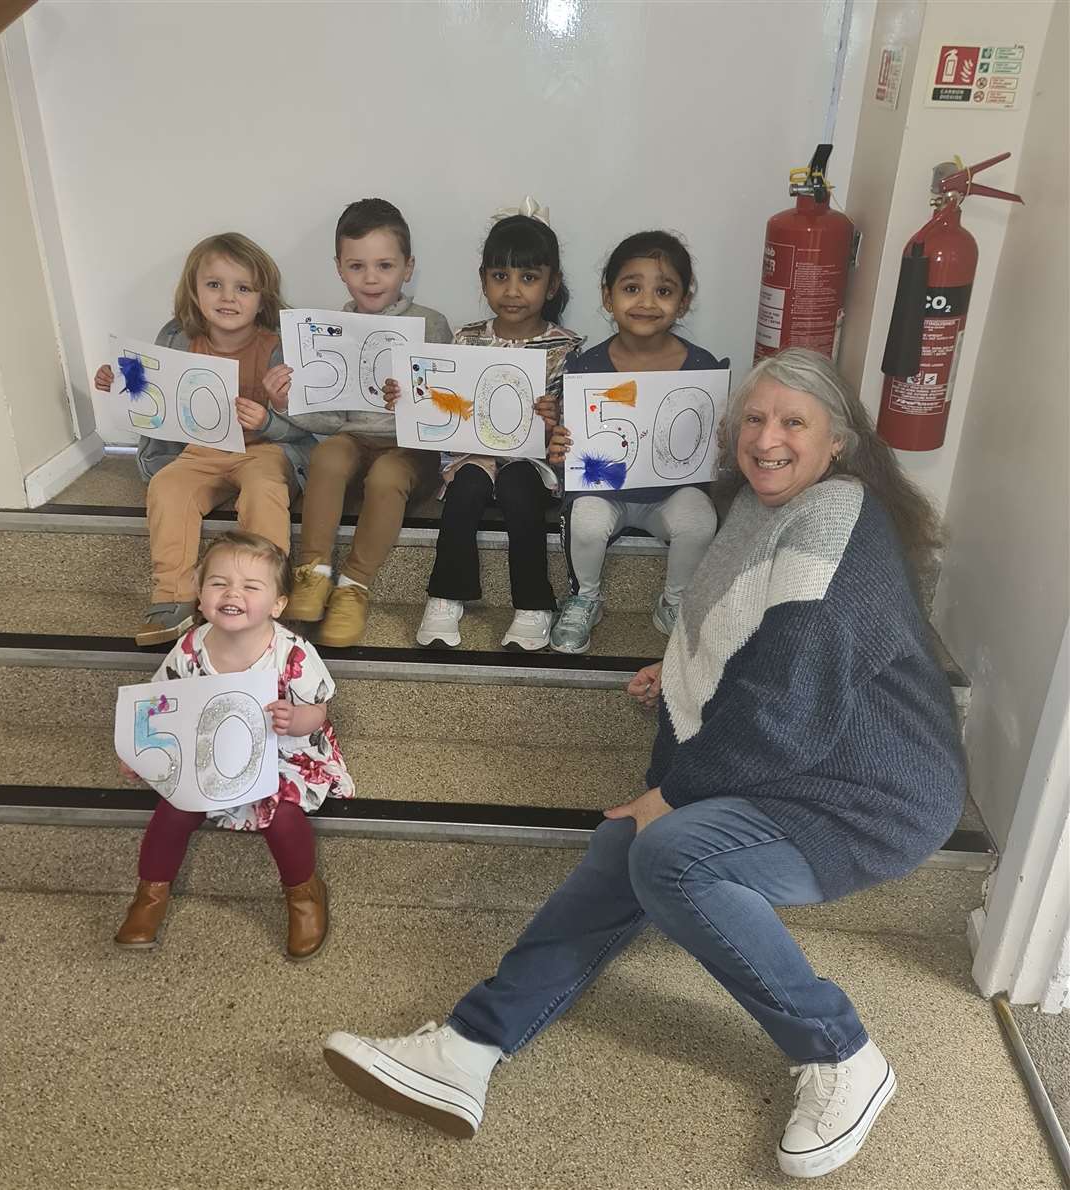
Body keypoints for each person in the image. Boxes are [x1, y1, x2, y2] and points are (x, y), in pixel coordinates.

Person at [320, 349, 966, 1180]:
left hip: (870, 788)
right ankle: (470, 1047)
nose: (766, 439)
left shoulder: (838, 522)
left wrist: (675, 792)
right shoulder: (763, 509)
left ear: (838, 441)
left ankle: (844, 1055)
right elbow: (748, 630)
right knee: (627, 844)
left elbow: (788, 698)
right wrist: (688, 668)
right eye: (754, 421)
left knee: (670, 852)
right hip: (804, 756)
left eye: (792, 422)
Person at [114, 532, 354, 960]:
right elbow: (159, 706)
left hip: (281, 753)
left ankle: (304, 893)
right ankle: (150, 894)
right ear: (201, 596)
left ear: (278, 604)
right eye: (219, 583)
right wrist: (138, 750)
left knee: (282, 818)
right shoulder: (190, 648)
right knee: (174, 809)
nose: (232, 594)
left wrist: (296, 718)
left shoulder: (292, 653)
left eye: (250, 586)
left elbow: (319, 710)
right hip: (208, 754)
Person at [93, 233, 315, 647]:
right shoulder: (178, 338)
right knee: (168, 486)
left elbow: (311, 425)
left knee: (265, 489)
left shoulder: (280, 346)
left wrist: (269, 420)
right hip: (199, 451)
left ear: (262, 298)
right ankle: (173, 595)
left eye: (243, 288)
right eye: (214, 285)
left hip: (264, 450)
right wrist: (121, 383)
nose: (228, 297)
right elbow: (153, 395)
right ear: (194, 293)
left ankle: (263, 593)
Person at [386, 202, 583, 651]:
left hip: (530, 461)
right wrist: (408, 398)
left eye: (528, 278)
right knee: (466, 490)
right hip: (473, 452)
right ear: (483, 281)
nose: (513, 291)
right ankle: (445, 595)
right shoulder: (466, 338)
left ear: (551, 285)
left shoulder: (568, 347)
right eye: (500, 277)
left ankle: (533, 603)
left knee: (518, 490)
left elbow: (580, 426)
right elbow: (440, 400)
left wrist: (557, 417)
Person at [265, 198, 452, 647]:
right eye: (357, 266)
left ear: (408, 268)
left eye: (385, 265)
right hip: (351, 439)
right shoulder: (329, 326)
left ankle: (353, 586)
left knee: (387, 474)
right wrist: (286, 401)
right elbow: (328, 421)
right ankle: (313, 570)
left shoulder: (432, 323)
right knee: (328, 454)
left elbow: (449, 410)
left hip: (411, 450)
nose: (371, 278)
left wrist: (413, 400)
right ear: (339, 268)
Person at [547, 231, 728, 654]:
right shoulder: (584, 367)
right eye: (632, 288)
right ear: (608, 297)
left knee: (700, 519)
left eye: (663, 291)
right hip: (605, 492)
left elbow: (711, 453)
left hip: (669, 495)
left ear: (683, 301)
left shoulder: (702, 368)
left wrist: (722, 442)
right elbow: (569, 457)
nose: (647, 302)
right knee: (586, 519)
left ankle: (676, 600)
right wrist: (559, 453)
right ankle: (585, 598)